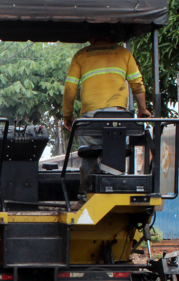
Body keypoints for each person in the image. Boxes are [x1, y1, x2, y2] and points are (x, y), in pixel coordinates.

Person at [62, 36, 153, 199]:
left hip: (90, 117)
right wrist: (142, 109)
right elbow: (137, 83)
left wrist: (68, 117)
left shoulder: (81, 55)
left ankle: (84, 197)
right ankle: (115, 192)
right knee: (115, 154)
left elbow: (70, 88)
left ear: (91, 38)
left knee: (89, 156)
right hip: (118, 116)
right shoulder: (124, 54)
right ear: (112, 37)